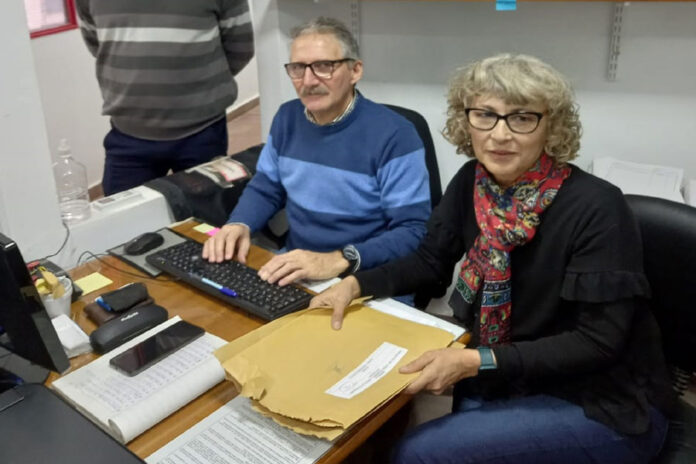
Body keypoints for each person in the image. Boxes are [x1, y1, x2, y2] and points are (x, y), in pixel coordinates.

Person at [311, 54, 676, 463]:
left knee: (419, 453)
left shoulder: (599, 207)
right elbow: (430, 262)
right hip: (509, 371)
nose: (500, 134)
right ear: (466, 120)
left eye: (521, 118)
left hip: (602, 400)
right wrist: (355, 284)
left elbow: (597, 342)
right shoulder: (473, 180)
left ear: (550, 125)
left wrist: (475, 360)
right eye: (485, 115)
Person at [203, 17, 431, 290]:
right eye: (298, 68)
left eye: (324, 66)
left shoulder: (396, 135)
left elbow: (412, 230)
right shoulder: (287, 118)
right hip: (296, 268)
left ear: (355, 70)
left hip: (366, 276)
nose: (308, 81)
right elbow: (267, 187)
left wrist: (338, 259)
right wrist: (239, 223)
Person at [74, 0, 254, 196]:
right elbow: (99, 45)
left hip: (202, 132)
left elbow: (241, 46)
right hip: (128, 137)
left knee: (208, 212)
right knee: (125, 213)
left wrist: (203, 85)